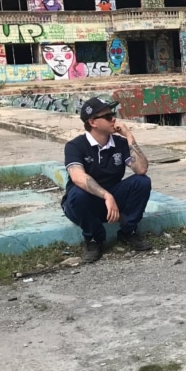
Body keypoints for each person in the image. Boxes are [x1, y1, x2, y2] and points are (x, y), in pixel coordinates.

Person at [62, 97, 153, 262]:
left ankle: (128, 232)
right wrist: (106, 196)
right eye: (108, 116)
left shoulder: (119, 143)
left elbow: (141, 168)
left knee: (142, 181)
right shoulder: (75, 146)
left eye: (113, 114)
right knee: (78, 194)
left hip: (113, 204)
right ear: (93, 122)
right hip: (84, 206)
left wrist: (129, 135)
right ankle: (94, 239)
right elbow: (77, 177)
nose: (114, 119)